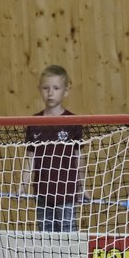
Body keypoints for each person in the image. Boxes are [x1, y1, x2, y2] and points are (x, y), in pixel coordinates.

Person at [20, 64, 87, 232]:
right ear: (39, 89)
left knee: (67, 235)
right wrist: (23, 184)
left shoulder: (73, 122)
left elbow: (79, 156)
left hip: (67, 192)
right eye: (46, 88)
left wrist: (83, 187)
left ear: (66, 91)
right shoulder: (34, 123)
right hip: (42, 192)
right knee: (45, 237)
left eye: (56, 88)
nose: (50, 93)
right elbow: (30, 156)